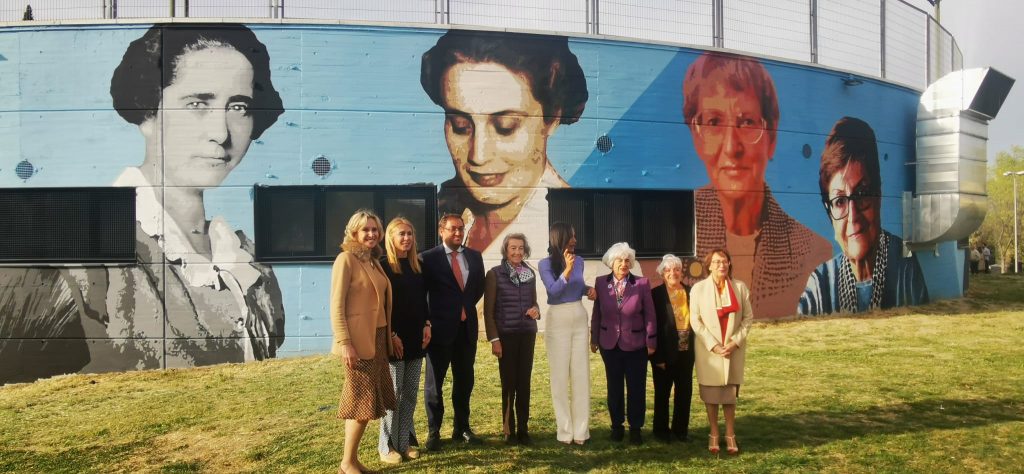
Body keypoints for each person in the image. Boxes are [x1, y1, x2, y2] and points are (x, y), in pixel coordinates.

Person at [0, 24, 287, 384]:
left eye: (239, 107)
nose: (221, 132)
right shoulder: (76, 246)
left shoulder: (249, 263)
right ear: (147, 113)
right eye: (197, 103)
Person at [682, 51, 832, 319]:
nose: (732, 147)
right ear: (696, 137)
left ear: (771, 138)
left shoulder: (813, 253)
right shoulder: (675, 234)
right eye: (714, 122)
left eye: (747, 122)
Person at [420, 29, 589, 261]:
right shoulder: (441, 207)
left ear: (551, 119)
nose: (478, 155)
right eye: (460, 125)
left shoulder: (570, 219)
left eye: (505, 126)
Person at [798, 117, 928, 315]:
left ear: (879, 194)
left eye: (861, 193)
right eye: (840, 202)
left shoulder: (904, 267)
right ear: (829, 212)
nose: (853, 216)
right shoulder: (819, 287)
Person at [331, 210, 397, 474]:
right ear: (354, 232)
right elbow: (336, 305)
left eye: (374, 229)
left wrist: (390, 336)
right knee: (362, 402)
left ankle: (352, 460)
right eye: (365, 229)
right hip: (357, 342)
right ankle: (347, 463)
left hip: (377, 339)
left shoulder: (373, 261)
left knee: (367, 403)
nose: (371, 234)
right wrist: (345, 342)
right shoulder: (346, 259)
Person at [420, 214, 486, 450]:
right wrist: (428, 322)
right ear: (442, 231)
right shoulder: (428, 259)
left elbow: (477, 289)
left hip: (466, 330)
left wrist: (463, 309)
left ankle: (462, 428)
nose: (458, 233)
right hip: (438, 331)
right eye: (452, 229)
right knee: (434, 385)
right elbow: (422, 295)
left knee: (465, 381)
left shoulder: (475, 256)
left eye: (461, 228)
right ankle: (434, 432)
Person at [590, 242, 657, 445]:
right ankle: (617, 426)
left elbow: (650, 315)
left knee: (636, 388)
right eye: (619, 260)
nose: (624, 263)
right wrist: (594, 339)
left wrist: (651, 340)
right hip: (610, 345)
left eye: (627, 260)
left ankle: (635, 428)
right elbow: (597, 313)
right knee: (614, 387)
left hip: (636, 345)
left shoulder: (642, 284)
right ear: (611, 263)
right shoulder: (601, 283)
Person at [377, 217, 432, 464]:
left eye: (410, 234)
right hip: (394, 340)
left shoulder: (418, 266)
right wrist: (392, 335)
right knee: (393, 394)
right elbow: (380, 306)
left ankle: (404, 441)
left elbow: (423, 301)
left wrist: (427, 324)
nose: (407, 238)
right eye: (401, 234)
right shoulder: (383, 267)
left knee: (409, 393)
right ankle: (386, 445)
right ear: (390, 237)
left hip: (416, 338)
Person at [537, 222, 596, 445]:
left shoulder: (579, 261)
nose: (575, 240)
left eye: (575, 236)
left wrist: (588, 290)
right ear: (559, 238)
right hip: (558, 319)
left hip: (579, 317)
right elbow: (553, 291)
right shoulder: (545, 264)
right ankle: (564, 431)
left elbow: (576, 287)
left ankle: (581, 431)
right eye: (571, 236)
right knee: (560, 377)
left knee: (581, 375)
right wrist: (567, 271)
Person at [689, 249, 753, 455]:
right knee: (711, 395)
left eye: (724, 261)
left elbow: (748, 319)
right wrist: (714, 345)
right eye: (716, 262)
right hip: (709, 351)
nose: (721, 265)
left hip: (733, 349)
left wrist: (735, 342)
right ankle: (714, 433)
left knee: (729, 395)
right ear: (709, 266)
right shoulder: (698, 289)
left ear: (729, 264)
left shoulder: (740, 288)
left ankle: (730, 434)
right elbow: (695, 321)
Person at [483, 233, 541, 445]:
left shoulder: (530, 273)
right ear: (506, 250)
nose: (517, 252)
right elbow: (488, 312)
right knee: (508, 383)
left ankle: (523, 430)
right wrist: (494, 339)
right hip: (505, 336)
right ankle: (509, 429)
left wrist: (536, 310)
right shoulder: (494, 274)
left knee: (524, 383)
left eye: (521, 248)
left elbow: (535, 302)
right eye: (513, 248)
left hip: (527, 334)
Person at [650, 254, 695, 443]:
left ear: (681, 272)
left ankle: (680, 431)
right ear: (662, 274)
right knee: (662, 393)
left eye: (676, 269)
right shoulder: (655, 295)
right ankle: (661, 431)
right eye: (668, 270)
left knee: (684, 392)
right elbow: (652, 326)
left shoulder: (691, 292)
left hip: (687, 351)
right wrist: (656, 356)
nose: (673, 273)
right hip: (664, 352)